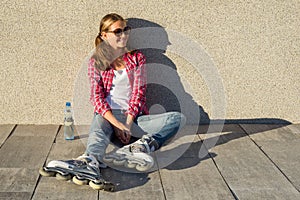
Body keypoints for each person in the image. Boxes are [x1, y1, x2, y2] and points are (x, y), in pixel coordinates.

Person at [40, 13, 186, 189]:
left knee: (177, 119)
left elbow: (139, 93)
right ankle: (89, 161)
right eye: (118, 31)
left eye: (125, 30)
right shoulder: (96, 62)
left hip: (134, 119)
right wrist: (117, 124)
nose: (123, 35)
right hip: (108, 117)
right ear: (104, 35)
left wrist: (128, 124)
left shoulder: (137, 58)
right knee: (99, 127)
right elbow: (96, 97)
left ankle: (138, 148)